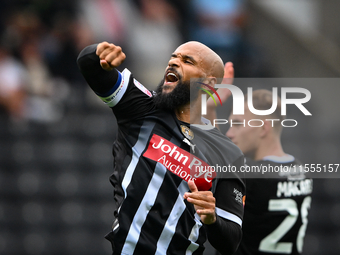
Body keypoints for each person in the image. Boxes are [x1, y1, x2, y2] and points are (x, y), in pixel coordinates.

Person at [77, 41, 245, 255]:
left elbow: (231, 240)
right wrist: (98, 53)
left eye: (187, 61)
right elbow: (88, 64)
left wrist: (212, 219)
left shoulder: (229, 154)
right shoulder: (143, 108)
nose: (174, 62)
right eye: (173, 57)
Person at [207, 88, 313, 255]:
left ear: (263, 128)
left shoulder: (251, 175)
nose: (229, 133)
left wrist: (209, 109)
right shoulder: (301, 171)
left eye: (237, 124)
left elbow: (216, 153)